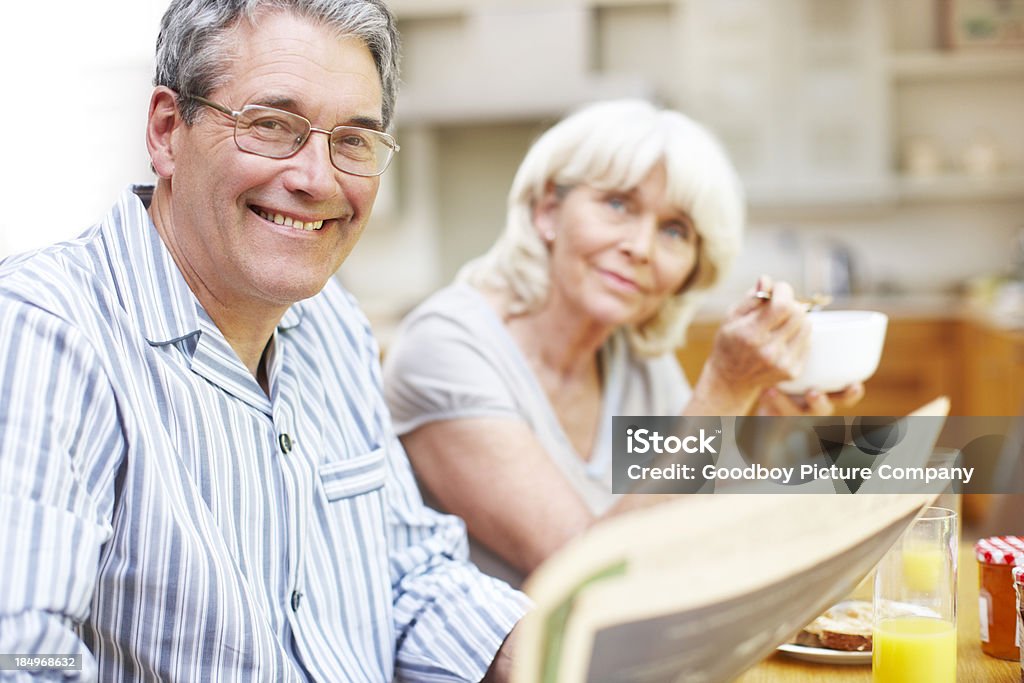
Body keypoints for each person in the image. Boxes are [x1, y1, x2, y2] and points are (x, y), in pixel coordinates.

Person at [0, 1, 528, 680]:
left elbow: (408, 574)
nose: (317, 178)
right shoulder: (45, 331)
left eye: (354, 140)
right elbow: (19, 649)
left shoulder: (331, 319)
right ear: (166, 131)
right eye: (272, 126)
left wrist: (556, 648)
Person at [382, 99, 864, 586]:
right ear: (548, 211)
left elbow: (684, 524)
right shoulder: (446, 347)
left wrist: (767, 423)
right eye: (617, 204)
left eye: (675, 230)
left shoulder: (635, 357)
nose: (641, 247)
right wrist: (723, 391)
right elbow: (590, 576)